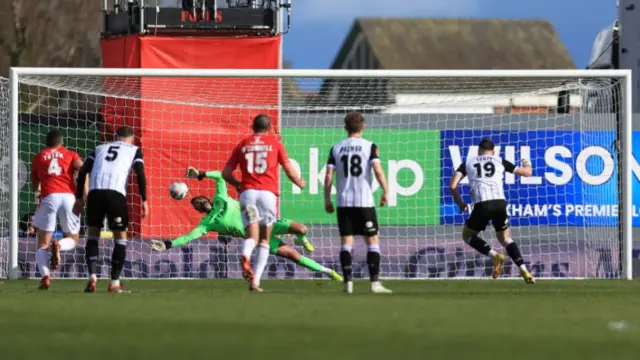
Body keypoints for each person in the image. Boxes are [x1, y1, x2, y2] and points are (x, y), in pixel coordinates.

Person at [150, 168, 342, 282]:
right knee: (293, 256)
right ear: (199, 210)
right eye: (195, 204)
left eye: (198, 199)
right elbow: (188, 237)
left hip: (265, 221)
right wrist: (168, 245)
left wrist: (200, 174)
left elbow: (219, 176)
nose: (197, 202)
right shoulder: (207, 224)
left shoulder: (220, 198)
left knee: (301, 229)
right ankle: (328, 271)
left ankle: (302, 240)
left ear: (204, 197)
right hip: (256, 237)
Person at [222, 114, 306, 292]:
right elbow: (289, 170)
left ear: (253, 127)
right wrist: (299, 182)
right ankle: (256, 282)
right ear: (269, 129)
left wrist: (238, 184)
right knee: (265, 240)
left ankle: (245, 254)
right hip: (267, 196)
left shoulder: (243, 144)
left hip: (248, 195)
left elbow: (226, 173)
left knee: (251, 236)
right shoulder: (275, 144)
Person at [448, 138, 535, 284]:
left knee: (468, 236)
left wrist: (460, 203)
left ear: (478, 151)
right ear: (493, 152)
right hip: (500, 204)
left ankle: (494, 255)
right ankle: (524, 269)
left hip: (481, 205)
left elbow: (452, 186)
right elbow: (527, 173)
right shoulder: (499, 160)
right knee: (506, 239)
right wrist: (527, 163)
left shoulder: (468, 163)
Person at [74, 125, 149, 293]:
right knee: (120, 237)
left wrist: (79, 197)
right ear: (132, 138)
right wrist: (144, 199)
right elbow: (140, 173)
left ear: (116, 137)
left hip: (94, 193)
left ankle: (92, 277)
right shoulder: (134, 149)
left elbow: (83, 171)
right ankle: (114, 282)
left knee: (93, 234)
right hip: (115, 194)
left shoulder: (100, 148)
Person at [324, 112, 392, 294]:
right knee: (372, 240)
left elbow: (329, 176)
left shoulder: (336, 148)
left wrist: (327, 199)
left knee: (346, 242)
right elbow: (377, 170)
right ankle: (374, 284)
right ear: (363, 126)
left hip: (343, 202)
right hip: (364, 201)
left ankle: (348, 284)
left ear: (345, 127)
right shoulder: (369, 146)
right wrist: (386, 190)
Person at [31, 130, 84, 290]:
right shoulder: (70, 154)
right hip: (68, 197)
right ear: (62, 143)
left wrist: (39, 190)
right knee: (73, 240)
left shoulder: (39, 157)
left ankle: (46, 277)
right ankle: (60, 245)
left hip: (49, 197)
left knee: (43, 242)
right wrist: (83, 191)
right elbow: (82, 169)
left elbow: (35, 184)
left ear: (46, 143)